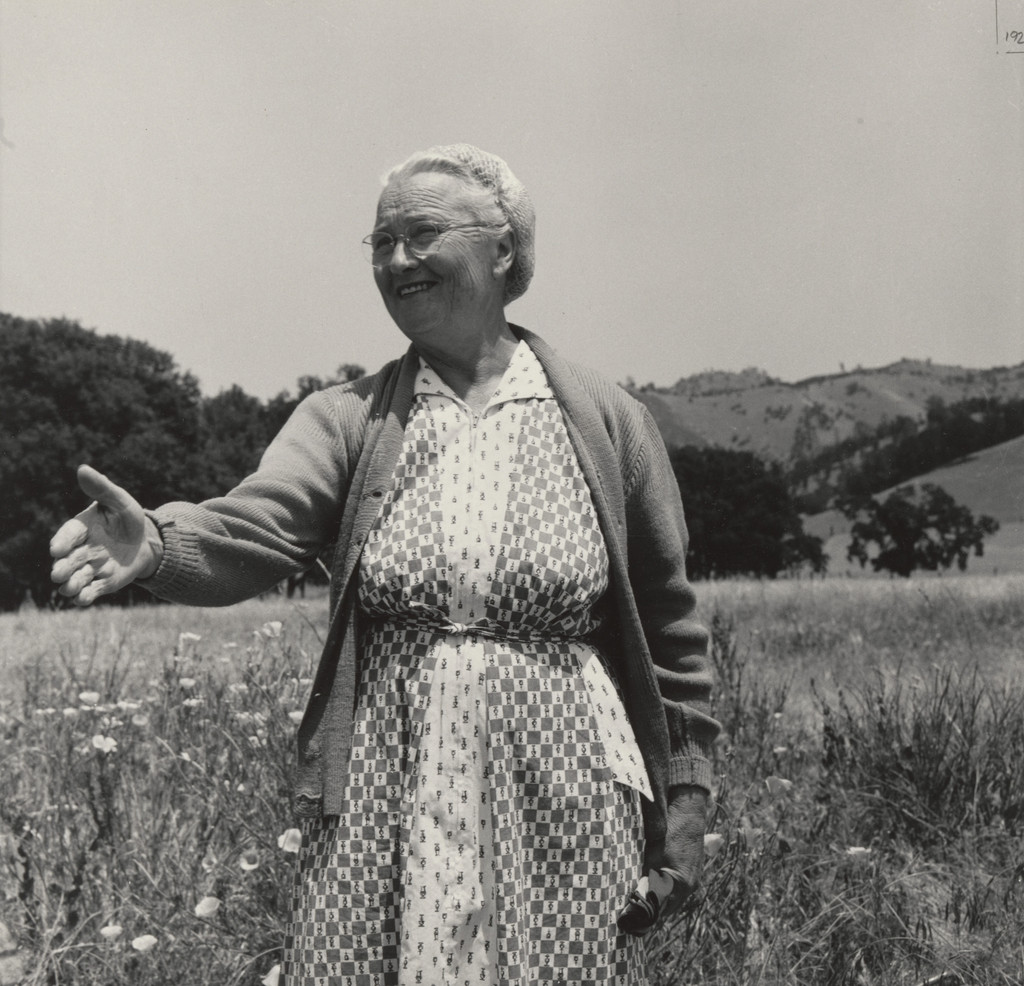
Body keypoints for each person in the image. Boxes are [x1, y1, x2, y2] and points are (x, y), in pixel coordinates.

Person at [50, 144, 720, 985]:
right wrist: (158, 543)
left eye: (422, 234)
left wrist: (685, 801)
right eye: (381, 241)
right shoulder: (347, 419)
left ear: (503, 250)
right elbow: (255, 525)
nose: (397, 259)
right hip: (387, 787)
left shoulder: (608, 420)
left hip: (568, 790)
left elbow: (668, 625)